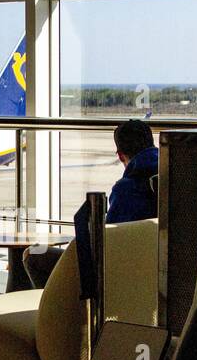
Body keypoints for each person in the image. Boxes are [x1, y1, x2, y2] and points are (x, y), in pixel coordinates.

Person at [22, 119, 159, 288]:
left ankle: (54, 312)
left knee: (33, 256)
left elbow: (106, 245)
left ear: (120, 155)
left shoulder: (126, 189)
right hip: (152, 276)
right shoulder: (169, 181)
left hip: (114, 278)